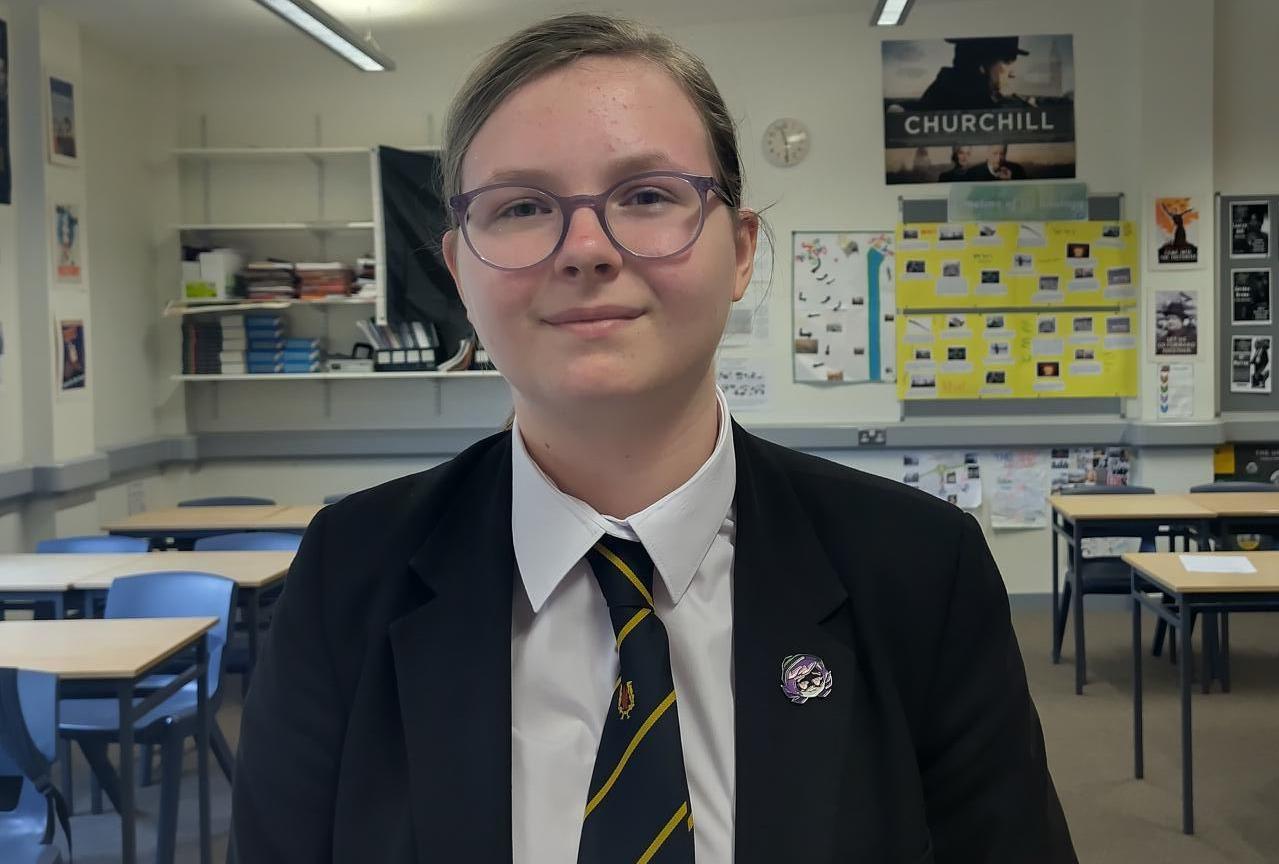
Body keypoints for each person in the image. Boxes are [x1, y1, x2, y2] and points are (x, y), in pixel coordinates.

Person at [232, 13, 1077, 864]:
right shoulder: (349, 575)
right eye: (522, 206)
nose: (586, 249)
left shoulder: (920, 571)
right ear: (459, 269)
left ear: (741, 250)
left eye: (646, 196)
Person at [917, 36, 1030, 111]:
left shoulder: (945, 91)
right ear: (981, 63)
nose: (1013, 73)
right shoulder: (961, 102)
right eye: (1007, 61)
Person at [960, 143, 1026, 181]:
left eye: (1002, 154)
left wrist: (1009, 181)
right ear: (987, 154)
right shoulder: (973, 173)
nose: (999, 158)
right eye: (995, 153)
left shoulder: (1017, 170)